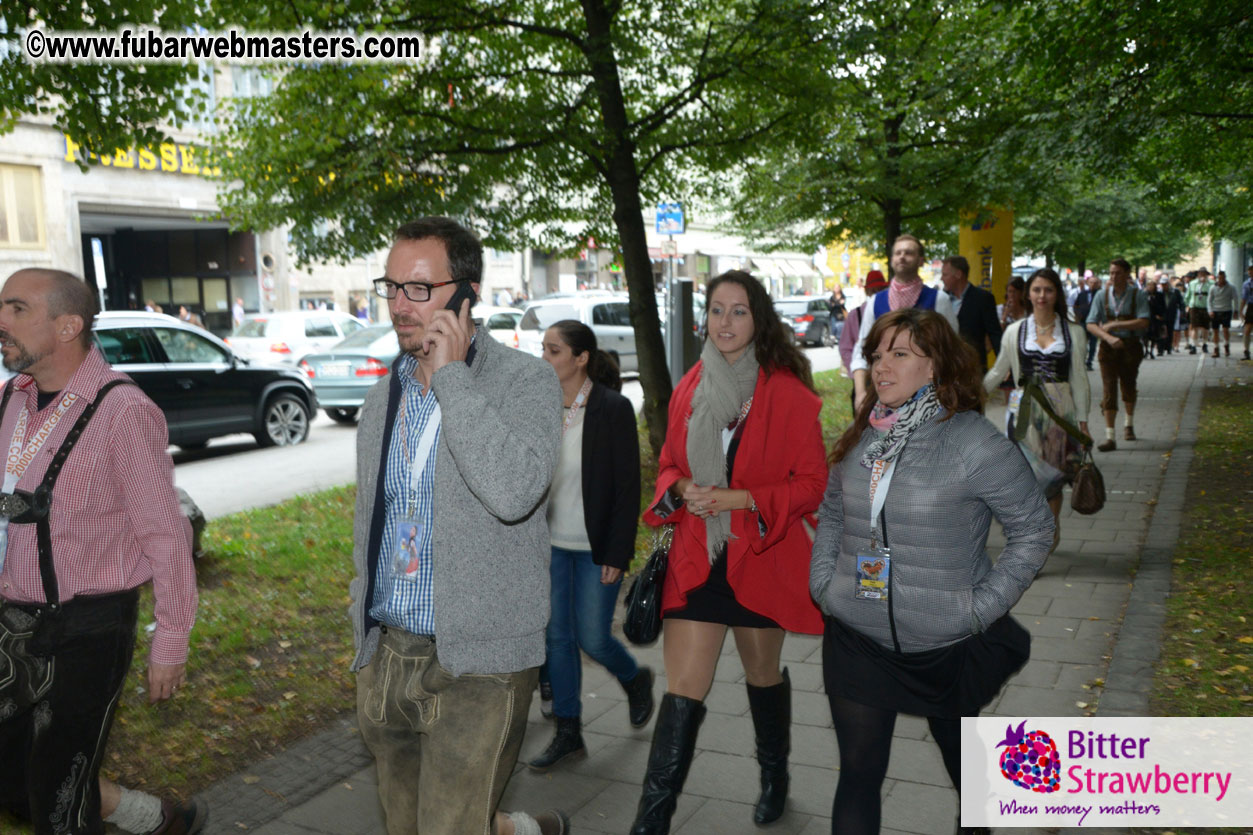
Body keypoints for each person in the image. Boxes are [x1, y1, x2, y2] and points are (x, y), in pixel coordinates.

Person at [348, 217, 569, 835]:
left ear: (465, 294)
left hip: (480, 662)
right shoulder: (381, 397)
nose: (397, 305)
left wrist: (451, 378)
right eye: (390, 287)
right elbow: (376, 520)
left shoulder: (525, 382)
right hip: (389, 653)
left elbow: (514, 492)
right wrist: (363, 641)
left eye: (417, 289)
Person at [810, 307, 1053, 835]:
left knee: (963, 767)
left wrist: (979, 608)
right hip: (858, 636)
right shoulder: (865, 434)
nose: (880, 367)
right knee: (857, 772)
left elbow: (1035, 529)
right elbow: (832, 512)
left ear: (935, 366)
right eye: (877, 355)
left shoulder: (974, 443)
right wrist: (825, 585)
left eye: (899, 354)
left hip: (943, 644)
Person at [0, 269, 204, 835]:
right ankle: (143, 813)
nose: (1, 323)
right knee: (18, 779)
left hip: (90, 629)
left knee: (57, 798)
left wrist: (171, 641)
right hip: (11, 623)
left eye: (16, 309)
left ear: (68, 326)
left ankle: (106, 806)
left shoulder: (122, 411)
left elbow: (165, 534)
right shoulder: (9, 402)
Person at [632, 270, 827, 832]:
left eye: (738, 311)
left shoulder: (789, 394)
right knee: (682, 693)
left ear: (758, 319)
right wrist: (680, 489)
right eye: (717, 310)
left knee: (762, 675)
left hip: (759, 557)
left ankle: (774, 775)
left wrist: (741, 497)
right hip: (698, 558)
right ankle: (651, 821)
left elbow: (814, 484)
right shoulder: (691, 385)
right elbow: (669, 462)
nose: (725, 322)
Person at [527, 320, 654, 772]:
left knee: (593, 637)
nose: (545, 358)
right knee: (557, 638)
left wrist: (619, 555)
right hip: (549, 544)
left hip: (594, 546)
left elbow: (626, 489)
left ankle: (634, 678)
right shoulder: (536, 406)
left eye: (554, 350)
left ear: (580, 359)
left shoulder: (612, 409)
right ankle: (569, 731)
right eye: (543, 348)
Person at [984, 268, 1090, 548]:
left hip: (1060, 413)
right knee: (1026, 479)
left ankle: (1049, 530)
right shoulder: (1015, 331)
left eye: (1048, 290)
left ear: (1057, 295)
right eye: (1037, 290)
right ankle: (1036, 536)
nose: (1042, 296)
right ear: (1028, 294)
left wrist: (1083, 420)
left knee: (1052, 478)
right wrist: (971, 396)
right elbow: (998, 372)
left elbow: (1079, 378)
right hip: (1024, 414)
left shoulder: (1074, 333)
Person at [850, 235, 958, 412]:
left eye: (908, 253)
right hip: (883, 399)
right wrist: (860, 393)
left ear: (920, 261)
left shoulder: (939, 300)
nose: (902, 256)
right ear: (891, 260)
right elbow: (861, 350)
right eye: (898, 253)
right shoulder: (875, 302)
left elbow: (951, 351)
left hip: (929, 400)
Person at [1086, 258, 1149, 452]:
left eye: (1118, 273)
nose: (1113, 276)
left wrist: (1116, 324)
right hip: (1108, 347)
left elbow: (1144, 321)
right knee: (1108, 388)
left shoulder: (1137, 294)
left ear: (1127, 274)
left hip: (1130, 345)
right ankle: (1109, 436)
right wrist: (1107, 336)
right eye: (1111, 272)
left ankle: (1128, 424)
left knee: (1129, 385)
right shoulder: (1101, 295)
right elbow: (1090, 323)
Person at [940, 255, 1001, 372]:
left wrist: (1004, 364)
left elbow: (995, 333)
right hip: (946, 367)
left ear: (958, 274)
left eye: (945, 274)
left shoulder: (983, 298)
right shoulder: (941, 299)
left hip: (973, 368)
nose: (941, 279)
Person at [838, 269, 888, 372]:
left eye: (881, 290)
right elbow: (845, 347)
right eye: (874, 290)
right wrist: (856, 372)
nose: (877, 294)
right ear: (867, 292)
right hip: (865, 373)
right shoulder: (855, 315)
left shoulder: (893, 312)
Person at [1071, 272, 1100, 370]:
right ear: (1088, 283)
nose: (1093, 284)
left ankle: (1089, 361)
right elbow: (1076, 305)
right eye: (1091, 282)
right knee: (1082, 342)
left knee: (1093, 343)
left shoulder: (1100, 294)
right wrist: (1078, 316)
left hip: (1094, 323)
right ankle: (1082, 359)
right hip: (1083, 321)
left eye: (1095, 283)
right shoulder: (1082, 294)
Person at [1207, 270, 1238, 358]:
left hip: (1226, 310)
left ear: (1225, 278)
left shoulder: (1231, 287)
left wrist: (1236, 310)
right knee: (1215, 331)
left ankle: (1226, 345)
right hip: (1215, 310)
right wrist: (1210, 311)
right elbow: (1209, 300)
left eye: (1223, 278)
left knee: (1225, 329)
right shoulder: (1212, 288)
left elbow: (1235, 299)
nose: (1221, 280)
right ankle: (1216, 348)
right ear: (1217, 278)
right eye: (1219, 278)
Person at [1184, 267, 1211, 354]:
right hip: (1194, 307)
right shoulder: (1192, 283)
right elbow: (1187, 295)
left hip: (1206, 307)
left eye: (1204, 274)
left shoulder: (1211, 284)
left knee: (1205, 327)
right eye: (1200, 274)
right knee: (1194, 326)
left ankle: (1205, 344)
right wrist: (1187, 305)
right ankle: (1193, 345)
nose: (1202, 275)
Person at [1143, 278, 1166, 359]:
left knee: (1154, 334)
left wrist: (1161, 315)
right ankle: (1146, 350)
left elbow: (1163, 306)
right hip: (1146, 317)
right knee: (1145, 334)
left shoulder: (1159, 295)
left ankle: (1152, 351)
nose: (1150, 287)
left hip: (1155, 317)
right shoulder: (1144, 294)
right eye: (1149, 285)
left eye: (1152, 285)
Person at [1242, 266, 1253, 360]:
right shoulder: (1246, 284)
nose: (1251, 275)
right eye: (1249, 273)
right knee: (1247, 329)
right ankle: (1246, 350)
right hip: (1251, 306)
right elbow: (1244, 298)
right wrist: (1241, 310)